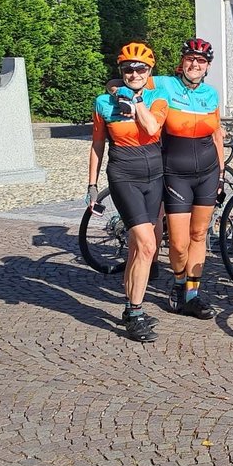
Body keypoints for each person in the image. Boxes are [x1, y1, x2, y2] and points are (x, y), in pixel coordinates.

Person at [86, 42, 168, 343]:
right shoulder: (103, 103)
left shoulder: (159, 97)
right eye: (128, 69)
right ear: (120, 70)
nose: (134, 73)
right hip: (123, 173)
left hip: (154, 175)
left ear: (149, 71)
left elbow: (151, 129)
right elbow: (97, 144)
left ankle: (133, 304)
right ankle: (133, 312)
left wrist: (135, 103)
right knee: (146, 245)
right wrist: (92, 185)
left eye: (140, 68)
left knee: (142, 247)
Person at [154, 38, 225, 319]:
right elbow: (129, 79)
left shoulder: (211, 94)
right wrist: (115, 90)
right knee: (178, 243)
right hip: (175, 172)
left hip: (207, 173)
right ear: (182, 62)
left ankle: (193, 295)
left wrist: (220, 174)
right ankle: (179, 281)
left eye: (201, 61)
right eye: (190, 59)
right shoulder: (164, 85)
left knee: (199, 235)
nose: (195, 65)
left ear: (207, 67)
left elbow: (217, 135)